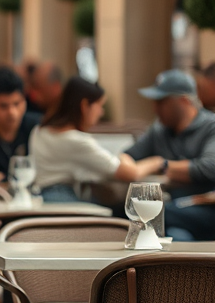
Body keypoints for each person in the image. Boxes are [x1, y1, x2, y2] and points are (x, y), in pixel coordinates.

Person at [30, 77, 166, 202]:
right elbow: (129, 173)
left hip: (39, 197)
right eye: (99, 105)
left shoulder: (39, 131)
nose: (101, 112)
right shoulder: (76, 141)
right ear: (84, 106)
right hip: (63, 200)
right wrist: (156, 162)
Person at [125, 69, 215, 241]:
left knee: (147, 213)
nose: (155, 108)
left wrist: (161, 164)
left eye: (161, 102)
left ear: (183, 101)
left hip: (206, 208)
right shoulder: (159, 129)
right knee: (178, 236)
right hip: (177, 211)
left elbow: (210, 167)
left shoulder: (211, 126)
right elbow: (130, 156)